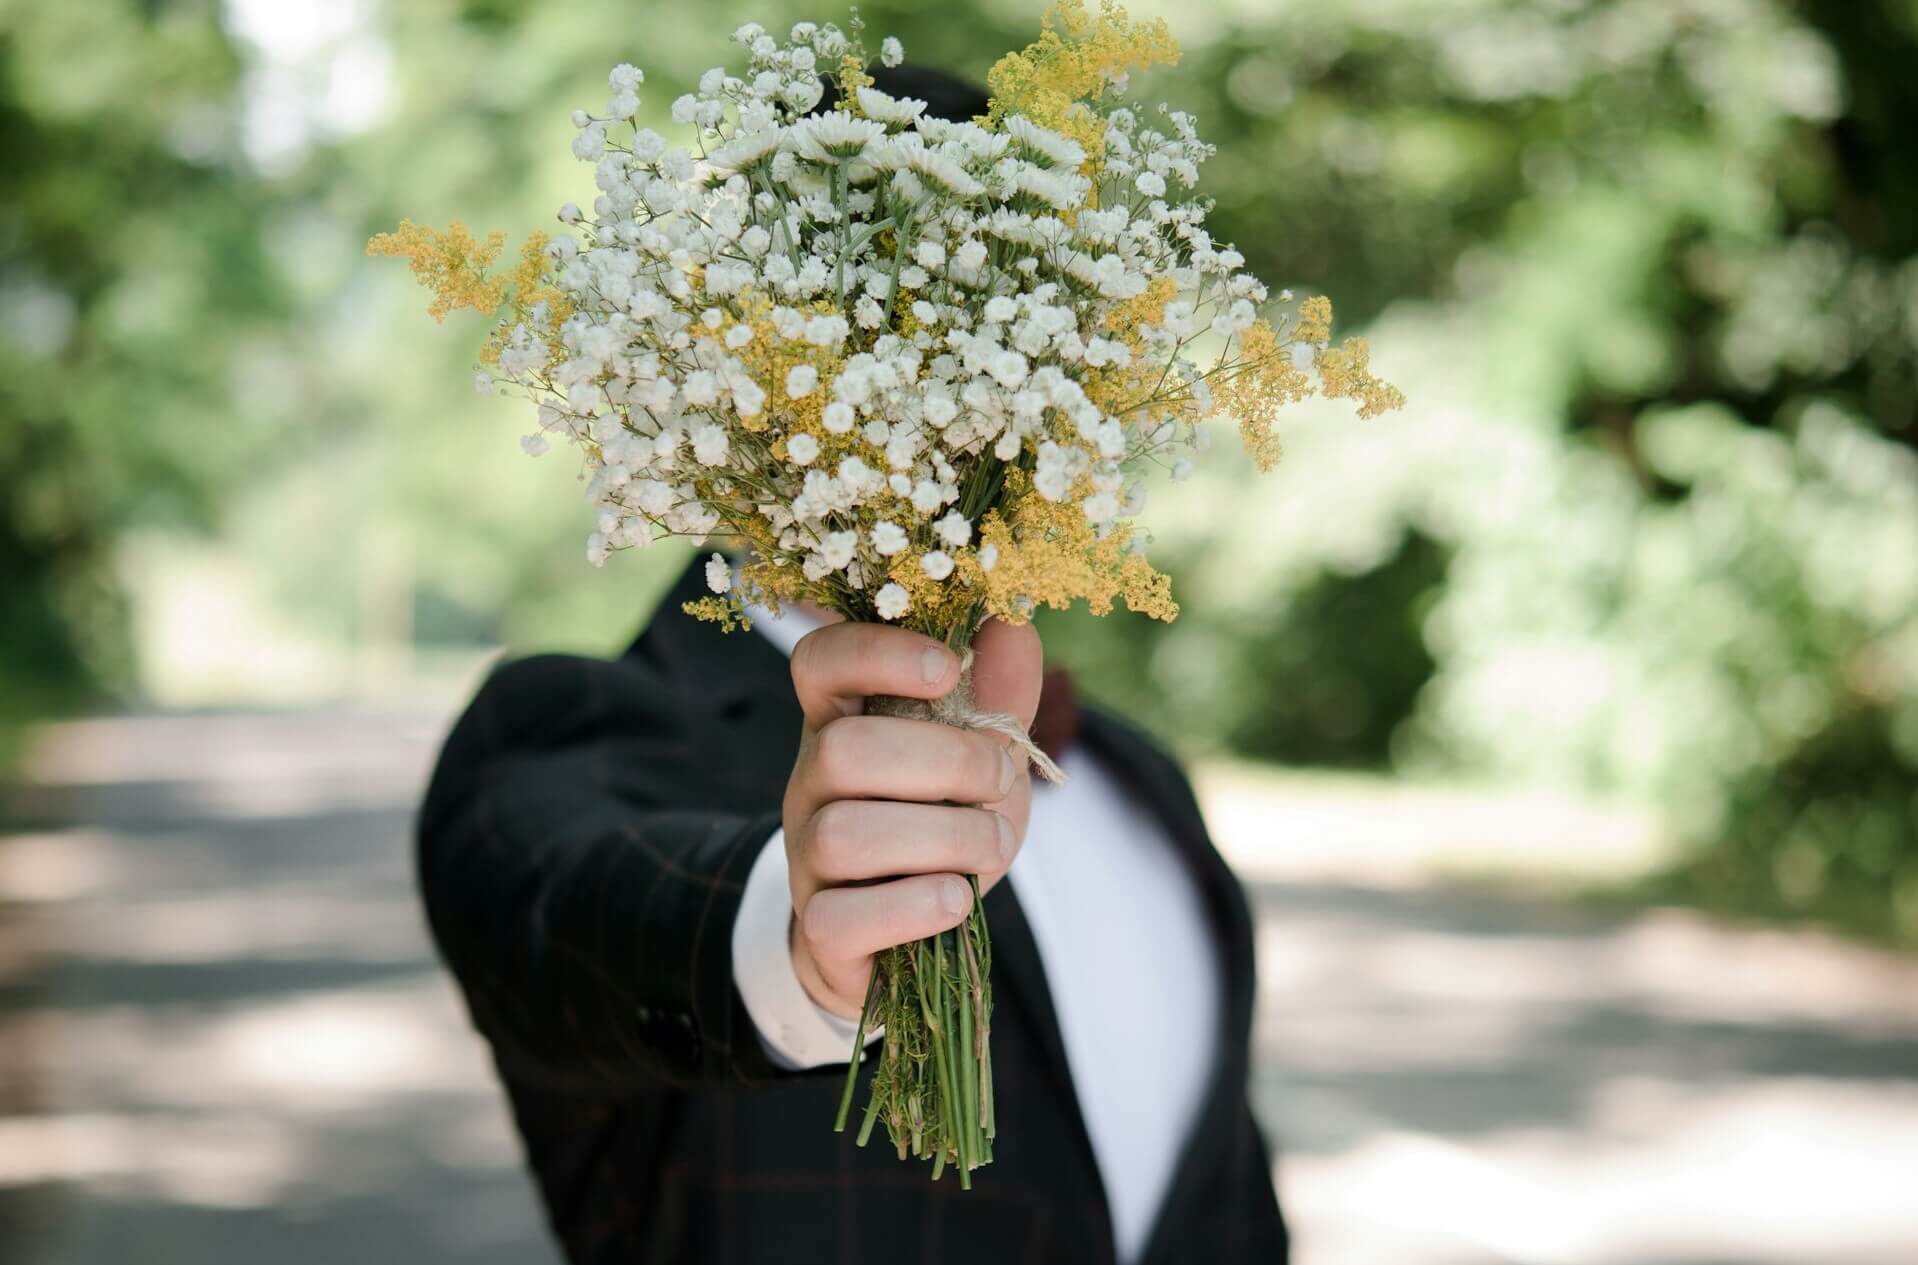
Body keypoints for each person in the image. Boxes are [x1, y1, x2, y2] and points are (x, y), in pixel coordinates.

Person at [416, 66, 1288, 1265]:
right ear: (737, 358)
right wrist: (800, 937)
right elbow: (574, 919)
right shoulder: (571, 729)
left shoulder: (1137, 781)